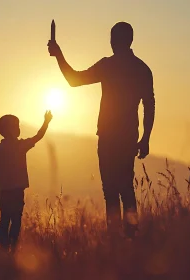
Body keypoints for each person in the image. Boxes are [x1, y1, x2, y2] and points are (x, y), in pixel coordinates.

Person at [48, 22, 155, 238]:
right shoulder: (142, 68)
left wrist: (59, 55)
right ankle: (131, 237)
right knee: (126, 188)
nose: (111, 42)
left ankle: (116, 240)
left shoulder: (108, 65)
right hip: (128, 136)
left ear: (115, 40)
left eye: (112, 38)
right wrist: (145, 139)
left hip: (108, 137)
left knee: (111, 192)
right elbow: (149, 105)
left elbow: (74, 80)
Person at [0, 111, 53, 251]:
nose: (19, 128)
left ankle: (3, 248)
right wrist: (46, 122)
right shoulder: (19, 146)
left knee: (4, 220)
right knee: (16, 220)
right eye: (16, 126)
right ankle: (12, 248)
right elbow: (38, 136)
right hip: (16, 190)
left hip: (4, 191)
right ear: (10, 129)